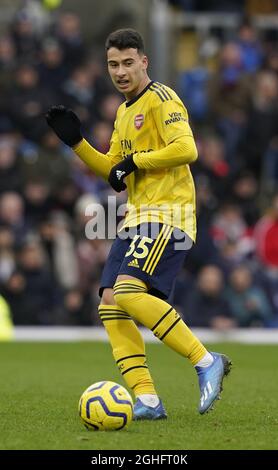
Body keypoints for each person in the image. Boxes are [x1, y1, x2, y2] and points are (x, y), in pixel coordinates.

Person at [45, 28, 231, 419]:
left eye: (129, 62)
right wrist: (77, 144)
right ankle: (147, 399)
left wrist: (136, 161)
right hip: (137, 217)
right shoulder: (123, 111)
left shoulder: (162, 99)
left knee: (128, 292)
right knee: (110, 302)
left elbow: (187, 148)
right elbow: (114, 172)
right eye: (114, 64)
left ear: (144, 61)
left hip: (170, 214)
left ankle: (204, 359)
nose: (121, 71)